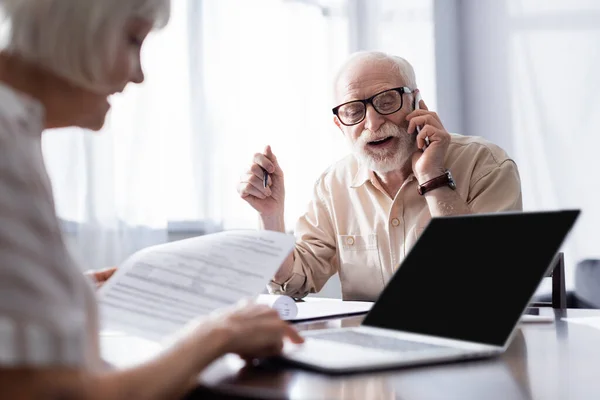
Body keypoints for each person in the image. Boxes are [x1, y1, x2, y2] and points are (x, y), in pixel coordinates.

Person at [0, 1, 302, 399]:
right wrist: (215, 335)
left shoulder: (18, 128)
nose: (139, 75)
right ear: (71, 26)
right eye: (133, 39)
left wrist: (70, 293)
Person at [237, 51, 522, 301]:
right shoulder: (332, 185)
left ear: (416, 102)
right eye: (353, 111)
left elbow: (489, 282)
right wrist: (270, 216)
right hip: (371, 350)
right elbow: (292, 284)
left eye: (387, 101)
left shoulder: (486, 165)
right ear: (340, 125)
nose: (372, 123)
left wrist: (433, 178)